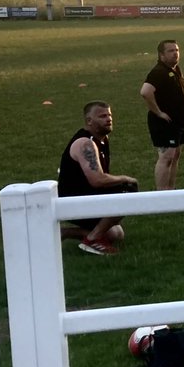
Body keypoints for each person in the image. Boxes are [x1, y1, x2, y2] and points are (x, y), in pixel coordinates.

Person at [57, 101, 139, 255]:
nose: (108, 119)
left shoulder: (102, 140)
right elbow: (97, 180)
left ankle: (64, 233)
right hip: (73, 201)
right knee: (127, 189)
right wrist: (125, 178)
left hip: (85, 196)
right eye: (102, 116)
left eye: (109, 115)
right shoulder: (85, 143)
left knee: (116, 234)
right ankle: (93, 240)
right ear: (89, 121)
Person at [140, 39, 184, 190]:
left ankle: (171, 191)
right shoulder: (158, 72)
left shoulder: (175, 69)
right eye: (171, 51)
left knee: (175, 156)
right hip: (165, 123)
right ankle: (161, 194)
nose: (175, 53)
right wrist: (158, 112)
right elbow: (145, 92)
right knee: (166, 157)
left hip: (178, 123)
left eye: (177, 50)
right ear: (161, 55)